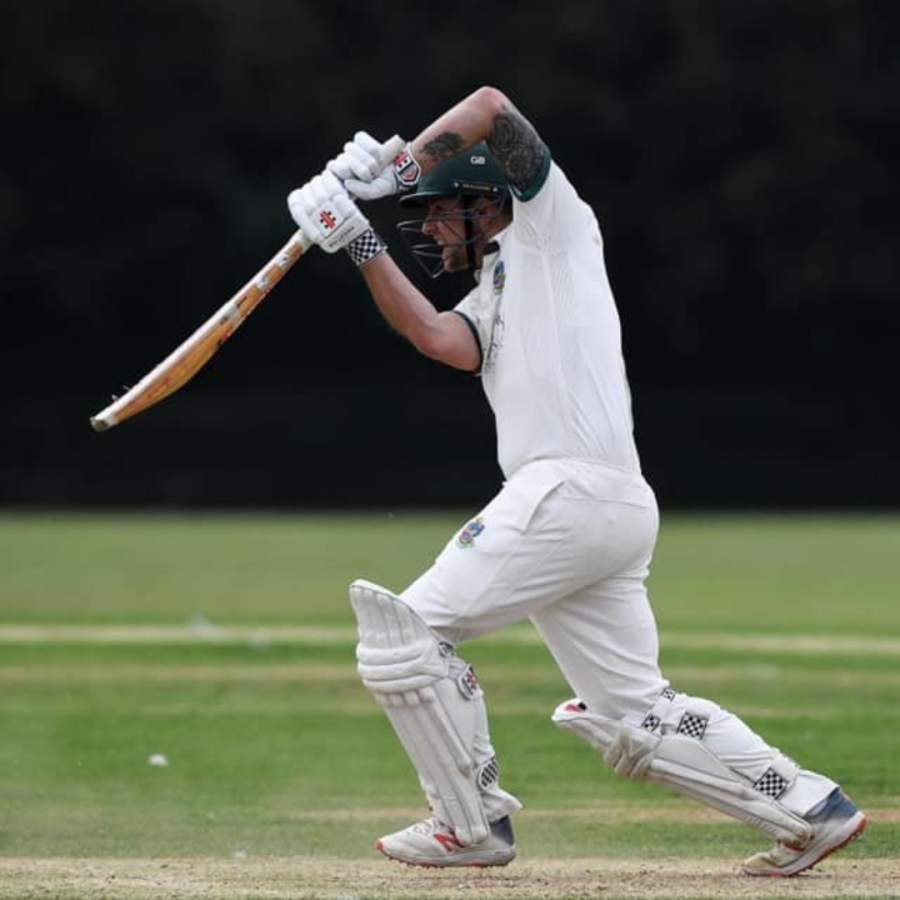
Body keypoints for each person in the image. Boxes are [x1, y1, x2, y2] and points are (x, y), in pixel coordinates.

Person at [287, 86, 867, 877]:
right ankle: (810, 806)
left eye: (439, 210)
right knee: (636, 711)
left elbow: (490, 106)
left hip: (567, 493)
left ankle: (470, 823)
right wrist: (358, 241)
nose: (428, 226)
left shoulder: (552, 226)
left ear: (489, 200)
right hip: (606, 507)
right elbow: (434, 337)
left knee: (405, 636)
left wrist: (398, 169)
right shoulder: (495, 290)